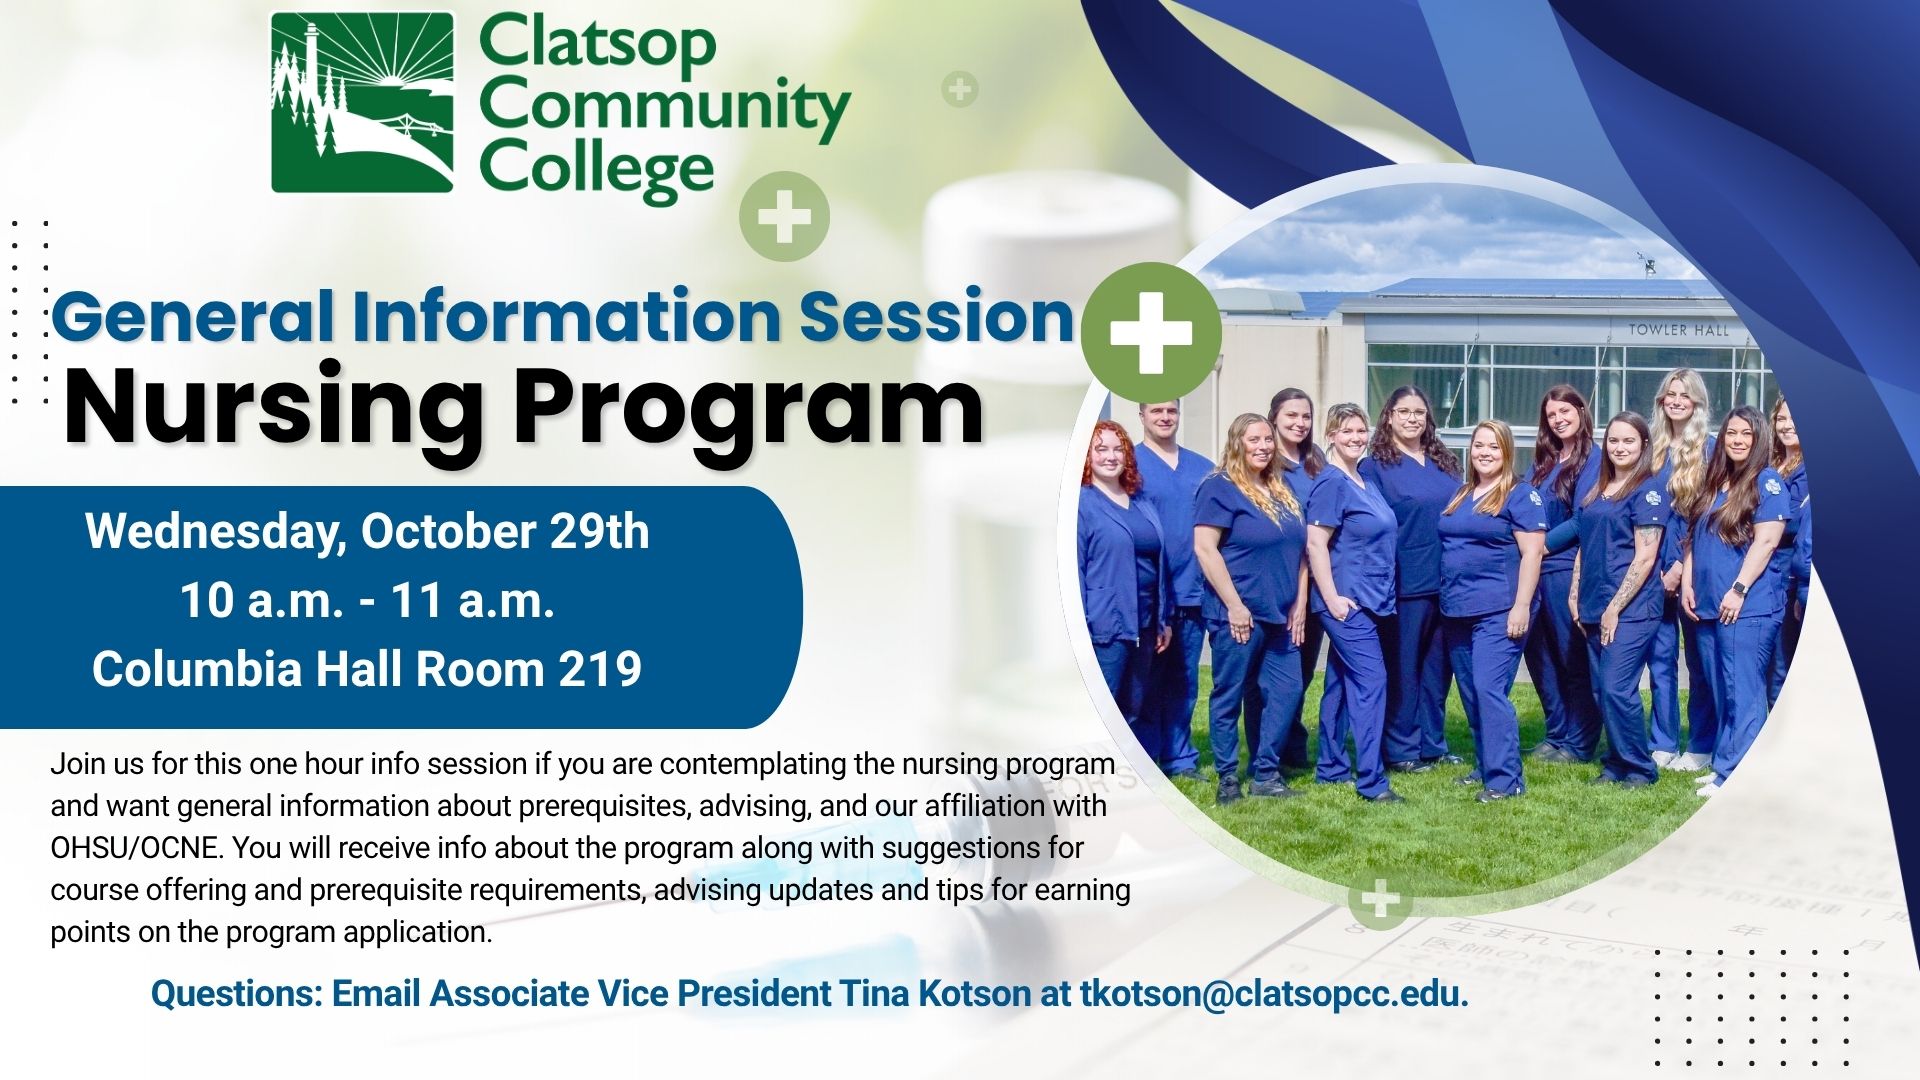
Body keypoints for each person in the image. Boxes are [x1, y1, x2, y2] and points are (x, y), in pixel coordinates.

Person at [1192, 414, 1311, 804]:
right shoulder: (1220, 487)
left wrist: (1299, 602)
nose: (1262, 446)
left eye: (1267, 440)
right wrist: (1234, 605)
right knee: (1229, 694)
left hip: (1281, 614)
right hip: (1240, 615)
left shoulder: (1282, 487)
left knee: (1287, 691)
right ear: (1237, 443)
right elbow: (1205, 549)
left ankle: (1266, 773)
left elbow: (1300, 550)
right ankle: (1228, 777)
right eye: (1253, 440)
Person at [1681, 406, 1791, 796]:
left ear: (1759, 438)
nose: (1738, 440)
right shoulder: (1716, 482)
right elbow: (1694, 535)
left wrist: (1739, 589)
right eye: (1731, 433)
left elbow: (1767, 541)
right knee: (1722, 688)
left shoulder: (1768, 481)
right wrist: (1688, 583)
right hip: (1709, 604)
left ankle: (1740, 774)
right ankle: (1726, 763)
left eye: (1746, 434)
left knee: (1742, 691)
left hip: (1747, 606)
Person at [1438, 421, 1548, 801]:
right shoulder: (1462, 493)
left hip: (1499, 610)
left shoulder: (1521, 496)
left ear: (1507, 453)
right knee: (1470, 692)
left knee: (1489, 689)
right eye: (1479, 445)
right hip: (1456, 610)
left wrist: (1520, 607)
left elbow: (1533, 554)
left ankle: (1505, 780)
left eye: (1494, 447)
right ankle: (1486, 763)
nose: (1485, 453)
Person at [1359, 386, 1462, 774]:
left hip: (1448, 581)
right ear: (1388, 417)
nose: (1412, 418)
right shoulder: (1375, 467)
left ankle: (1432, 744)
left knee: (1438, 669)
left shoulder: (1445, 463)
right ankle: (1401, 749)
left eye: (1419, 411)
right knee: (1404, 668)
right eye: (1404, 411)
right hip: (1405, 583)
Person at [1307, 403, 1404, 803]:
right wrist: (1332, 600)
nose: (1355, 438)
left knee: (1341, 684)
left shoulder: (1364, 479)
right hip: (1347, 603)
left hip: (1372, 600)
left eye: (1360, 431)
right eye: (1345, 431)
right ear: (1330, 436)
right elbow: (1316, 543)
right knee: (1371, 681)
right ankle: (1372, 782)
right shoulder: (1332, 483)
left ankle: (1331, 768)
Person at [1572, 412, 1667, 788]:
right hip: (1594, 604)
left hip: (1632, 610)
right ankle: (1615, 763)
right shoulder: (1598, 490)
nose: (1620, 447)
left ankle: (1640, 767)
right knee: (1601, 690)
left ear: (1643, 445)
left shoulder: (1648, 491)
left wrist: (1614, 608)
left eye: (1629, 441)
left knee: (1616, 687)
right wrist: (1576, 591)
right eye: (1613, 440)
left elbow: (1646, 556)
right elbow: (1585, 542)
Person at [1077, 421, 1172, 757]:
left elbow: (1159, 565)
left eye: (1118, 449)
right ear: (1086, 455)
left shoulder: (1141, 502)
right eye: (1101, 448)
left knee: (1131, 706)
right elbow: (1074, 569)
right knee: (1101, 709)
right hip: (1105, 626)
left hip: (1145, 624)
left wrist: (1163, 619)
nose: (1110, 456)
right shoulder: (1082, 504)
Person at [1524, 386, 1604, 764]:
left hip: (1563, 568)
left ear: (1580, 411)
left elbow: (1581, 517)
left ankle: (1580, 741)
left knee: (1571, 657)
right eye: (1552, 414)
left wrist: (1539, 546)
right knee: (1541, 658)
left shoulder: (1593, 460)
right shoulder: (1543, 461)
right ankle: (1556, 733)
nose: (1558, 419)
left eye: (1565, 411)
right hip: (1533, 572)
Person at [1132, 401, 1210, 778]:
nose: (1165, 417)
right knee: (1146, 682)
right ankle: (1145, 757)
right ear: (1141, 415)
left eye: (1171, 411)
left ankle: (1180, 757)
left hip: (1193, 592)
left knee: (1184, 680)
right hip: (1150, 596)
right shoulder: (1131, 465)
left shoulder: (1202, 468)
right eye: (1156, 411)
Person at [1648, 369, 1716, 771]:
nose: (1675, 400)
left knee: (1699, 664)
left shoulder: (1708, 450)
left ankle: (1702, 744)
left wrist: (1677, 568)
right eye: (1670, 394)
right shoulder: (1650, 448)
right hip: (1648, 570)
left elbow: (1703, 516)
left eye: (1684, 395)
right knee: (1660, 660)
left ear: (1696, 403)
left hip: (1690, 568)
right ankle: (1663, 741)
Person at [1266, 387, 1326, 771]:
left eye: (1305, 416)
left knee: (1301, 671)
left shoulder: (1316, 463)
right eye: (1291, 416)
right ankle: (1269, 747)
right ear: (1274, 418)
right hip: (1279, 581)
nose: (1299, 423)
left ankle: (1292, 740)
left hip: (1316, 580)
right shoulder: (1264, 462)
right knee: (1274, 676)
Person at [1767, 396, 1808, 704]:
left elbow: (1795, 523)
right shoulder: (1770, 463)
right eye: (1781, 418)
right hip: (1765, 575)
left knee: (1784, 663)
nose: (1787, 425)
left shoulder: (1808, 471)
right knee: (1767, 663)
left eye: (1794, 418)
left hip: (1789, 579)